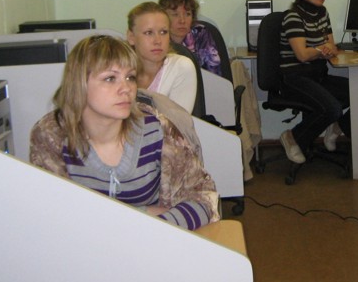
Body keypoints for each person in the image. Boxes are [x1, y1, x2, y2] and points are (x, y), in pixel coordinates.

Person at [29, 35, 219, 230]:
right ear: (79, 84)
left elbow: (204, 197)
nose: (126, 88)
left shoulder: (155, 129)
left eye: (130, 77)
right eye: (110, 78)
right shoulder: (51, 134)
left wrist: (155, 227)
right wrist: (142, 213)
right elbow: (51, 214)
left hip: (150, 242)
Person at [278, 0, 350, 163]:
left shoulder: (322, 13)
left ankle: (337, 127)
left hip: (318, 75)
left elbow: (332, 47)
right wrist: (321, 49)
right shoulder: (293, 16)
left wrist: (324, 49)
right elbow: (302, 55)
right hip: (295, 77)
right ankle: (292, 137)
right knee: (333, 109)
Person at [126, 1, 197, 113]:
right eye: (149, 33)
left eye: (163, 32)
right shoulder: (120, 70)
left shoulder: (181, 67)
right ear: (131, 37)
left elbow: (177, 122)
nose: (158, 41)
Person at [159, 0, 222, 76]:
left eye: (187, 14)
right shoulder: (158, 39)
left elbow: (214, 74)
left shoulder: (201, 34)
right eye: (175, 14)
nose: (182, 21)